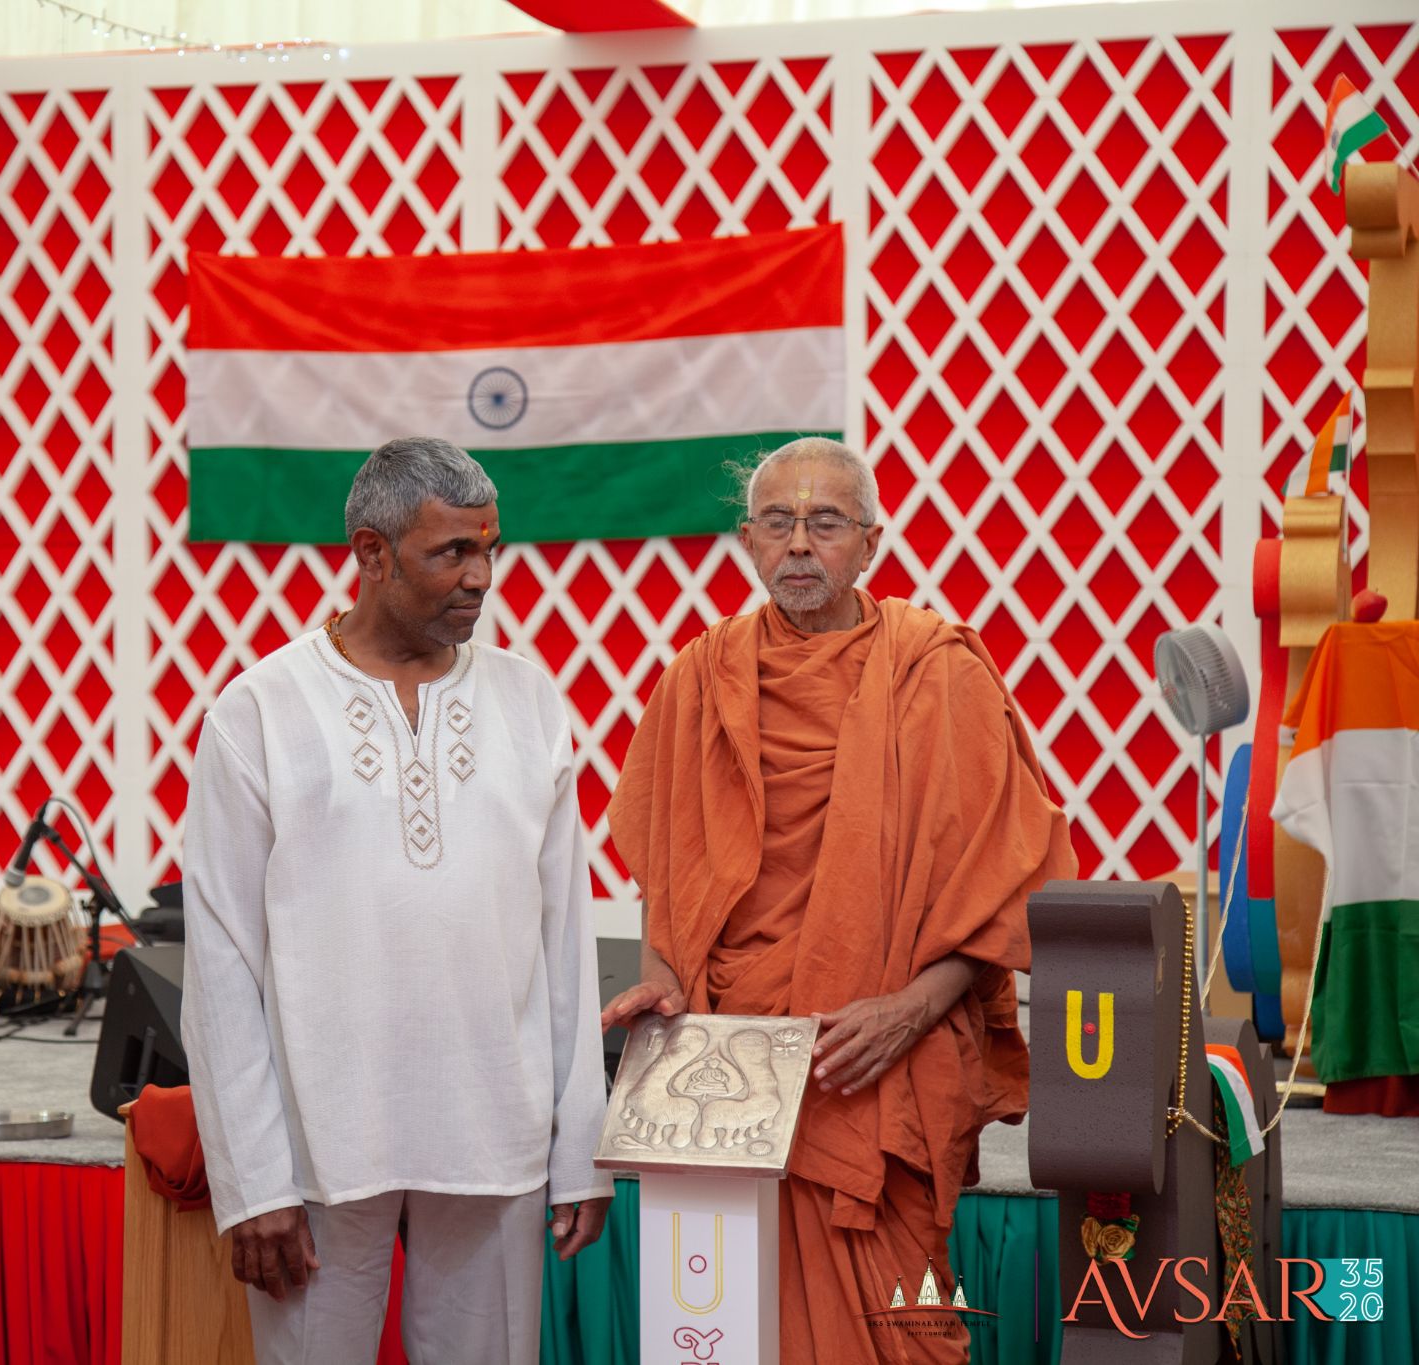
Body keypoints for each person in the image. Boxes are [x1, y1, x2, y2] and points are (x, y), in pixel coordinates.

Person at [602, 437, 1075, 1364]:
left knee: (903, 1328)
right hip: (731, 1065)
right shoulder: (701, 676)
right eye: (777, 522)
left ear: (869, 542)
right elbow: (666, 872)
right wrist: (663, 977)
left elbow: (999, 881)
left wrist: (911, 1010)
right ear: (747, 541)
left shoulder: (937, 671)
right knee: (722, 1325)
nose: (799, 544)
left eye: (825, 522)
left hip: (879, 1058)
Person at [181, 437, 613, 1365]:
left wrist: (580, 1147)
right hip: (319, 1146)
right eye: (451, 551)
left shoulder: (530, 702)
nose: (480, 577)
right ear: (371, 553)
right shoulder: (261, 711)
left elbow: (566, 940)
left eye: (488, 549)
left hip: (496, 1133)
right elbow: (220, 960)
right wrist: (254, 1179)